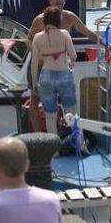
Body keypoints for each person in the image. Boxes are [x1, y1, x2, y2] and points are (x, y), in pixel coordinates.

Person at [31, 7, 77, 135]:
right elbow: (73, 56)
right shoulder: (65, 34)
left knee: (50, 116)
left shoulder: (37, 37)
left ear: (45, 20)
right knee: (71, 112)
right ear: (59, 20)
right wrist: (68, 59)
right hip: (64, 74)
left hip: (45, 76)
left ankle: (53, 149)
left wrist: (35, 83)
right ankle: (77, 142)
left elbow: (34, 63)